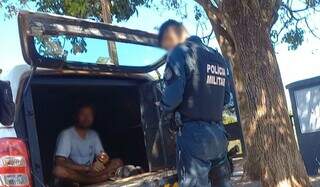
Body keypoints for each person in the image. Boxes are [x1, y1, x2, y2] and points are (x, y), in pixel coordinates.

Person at [158, 20, 233, 187]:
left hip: (194, 137)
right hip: (219, 135)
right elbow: (226, 97)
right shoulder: (218, 57)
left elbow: (172, 97)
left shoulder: (180, 52)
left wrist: (164, 110)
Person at [52, 104, 123, 186]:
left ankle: (89, 181)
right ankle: (99, 179)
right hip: (75, 173)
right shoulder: (66, 134)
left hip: (90, 173)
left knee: (118, 162)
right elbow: (59, 162)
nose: (86, 118)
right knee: (59, 171)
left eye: (90, 115)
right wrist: (85, 168)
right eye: (83, 114)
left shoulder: (93, 135)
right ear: (76, 116)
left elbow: (102, 155)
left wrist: (101, 161)